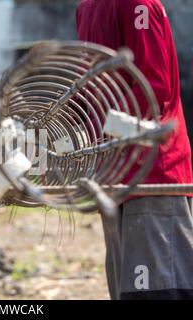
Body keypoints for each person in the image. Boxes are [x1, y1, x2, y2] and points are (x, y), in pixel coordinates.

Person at [76, 0, 193, 299]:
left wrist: (98, 136)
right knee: (141, 289)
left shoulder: (107, 6)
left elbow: (153, 91)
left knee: (154, 289)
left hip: (148, 172)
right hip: (124, 172)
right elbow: (93, 89)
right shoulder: (101, 6)